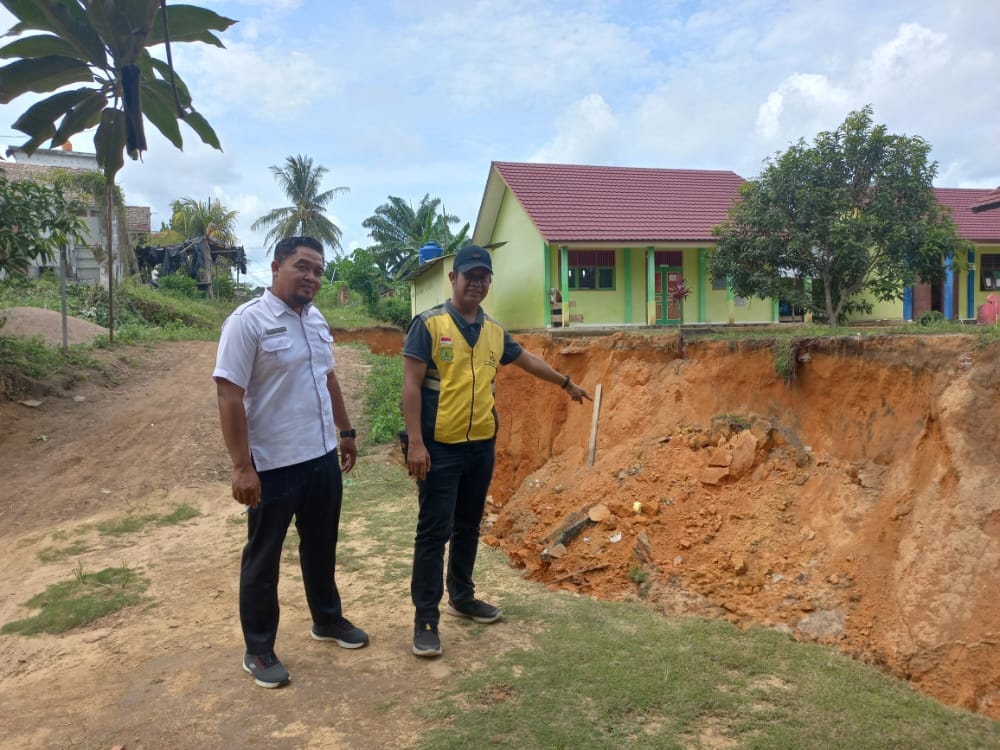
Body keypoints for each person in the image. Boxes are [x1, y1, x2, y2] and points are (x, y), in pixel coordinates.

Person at [402, 244, 591, 657]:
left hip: (480, 447)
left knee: (468, 527)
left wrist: (564, 383)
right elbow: (411, 386)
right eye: (469, 275)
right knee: (434, 533)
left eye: (483, 277)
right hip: (439, 449)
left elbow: (527, 360)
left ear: (489, 281)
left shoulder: (492, 332)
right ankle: (426, 620)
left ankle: (463, 597)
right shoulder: (429, 325)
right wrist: (415, 443)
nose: (477, 283)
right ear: (453, 279)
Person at [213, 235, 368, 689]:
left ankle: (327, 620)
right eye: (303, 266)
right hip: (274, 465)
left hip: (320, 457)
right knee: (263, 559)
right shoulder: (248, 322)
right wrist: (242, 466)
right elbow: (228, 395)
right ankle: (259, 649)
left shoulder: (316, 319)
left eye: (318, 270)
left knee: (321, 547)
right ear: (276, 266)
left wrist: (345, 430)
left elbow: (328, 376)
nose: (312, 277)